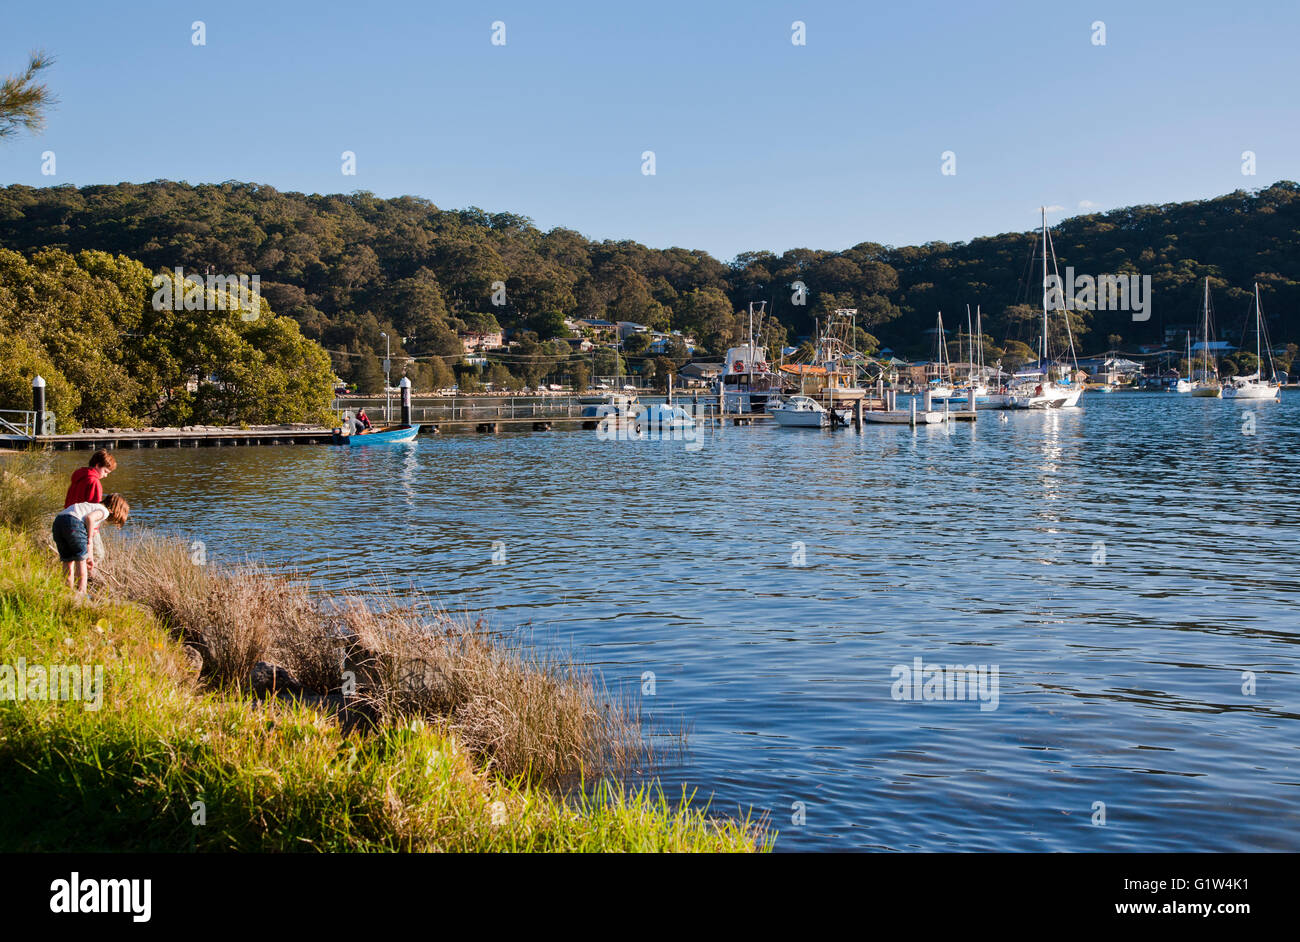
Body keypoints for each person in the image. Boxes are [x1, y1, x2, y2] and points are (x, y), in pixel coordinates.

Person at [51, 494, 130, 594]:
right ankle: (81, 592)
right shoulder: (104, 511)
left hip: (59, 522)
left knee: (68, 561)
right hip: (74, 523)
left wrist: (90, 557)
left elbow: (88, 539)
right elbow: (89, 518)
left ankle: (67, 592)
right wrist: (89, 539)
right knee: (81, 561)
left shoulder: (90, 506)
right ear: (116, 510)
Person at [66, 450, 116, 575]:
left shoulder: (78, 476)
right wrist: (92, 532)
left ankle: (72, 584)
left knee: (72, 557)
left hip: (68, 518)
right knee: (97, 554)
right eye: (105, 471)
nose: (105, 476)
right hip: (83, 523)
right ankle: (87, 582)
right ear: (97, 465)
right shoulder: (94, 482)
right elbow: (93, 509)